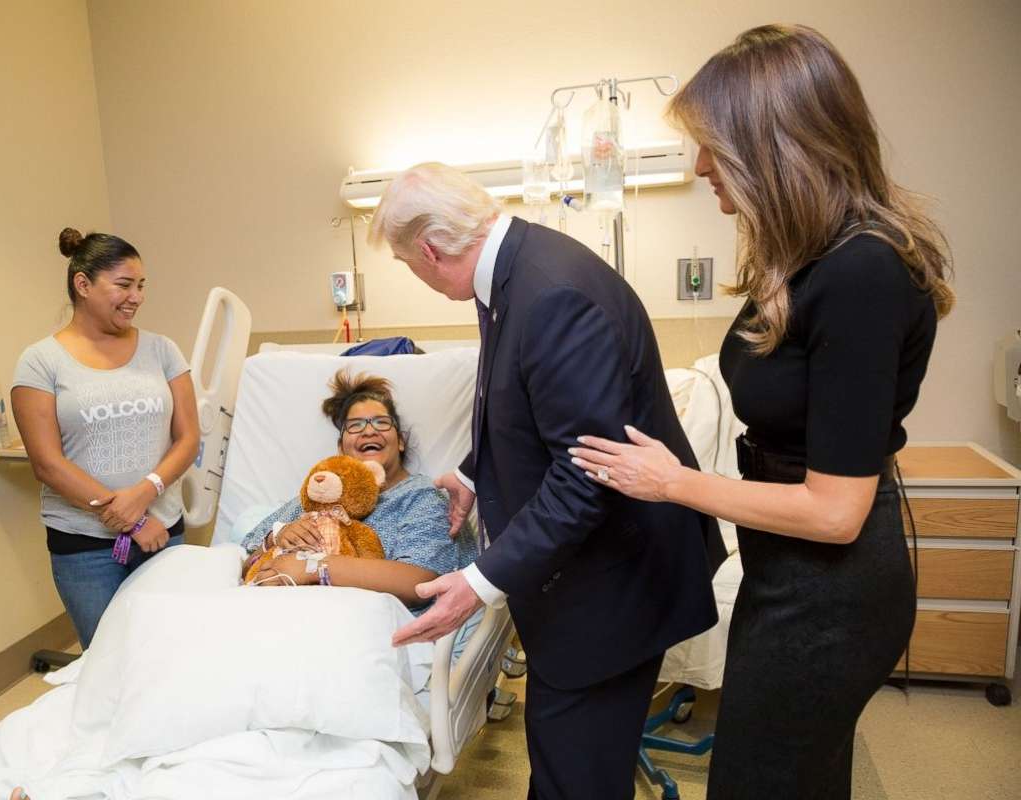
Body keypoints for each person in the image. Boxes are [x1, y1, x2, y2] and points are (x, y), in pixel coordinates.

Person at [568, 24, 954, 800]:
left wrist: (670, 482)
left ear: (777, 144)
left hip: (830, 593)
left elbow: (835, 510)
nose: (700, 165)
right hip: (787, 573)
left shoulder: (861, 273)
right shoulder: (803, 260)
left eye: (714, 145)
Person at [375, 162, 725, 798]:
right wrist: (474, 472)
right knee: (572, 767)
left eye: (406, 264)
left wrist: (479, 583)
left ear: (429, 249)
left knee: (575, 778)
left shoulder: (550, 293)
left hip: (611, 587)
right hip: (593, 578)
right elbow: (528, 406)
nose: (416, 276)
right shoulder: (514, 274)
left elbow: (586, 473)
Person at [11, 228, 201, 648]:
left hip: (162, 534)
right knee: (107, 663)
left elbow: (188, 437)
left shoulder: (162, 350)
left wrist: (147, 491)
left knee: (173, 654)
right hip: (85, 547)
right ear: (83, 285)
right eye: (124, 285)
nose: (137, 296)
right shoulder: (41, 362)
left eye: (141, 285)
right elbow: (47, 463)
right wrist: (131, 518)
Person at [241, 369, 477, 611]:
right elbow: (249, 563)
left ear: (401, 441)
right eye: (354, 426)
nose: (368, 430)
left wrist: (312, 567)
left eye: (382, 422)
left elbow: (419, 584)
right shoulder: (315, 497)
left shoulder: (422, 495)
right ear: (342, 448)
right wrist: (276, 538)